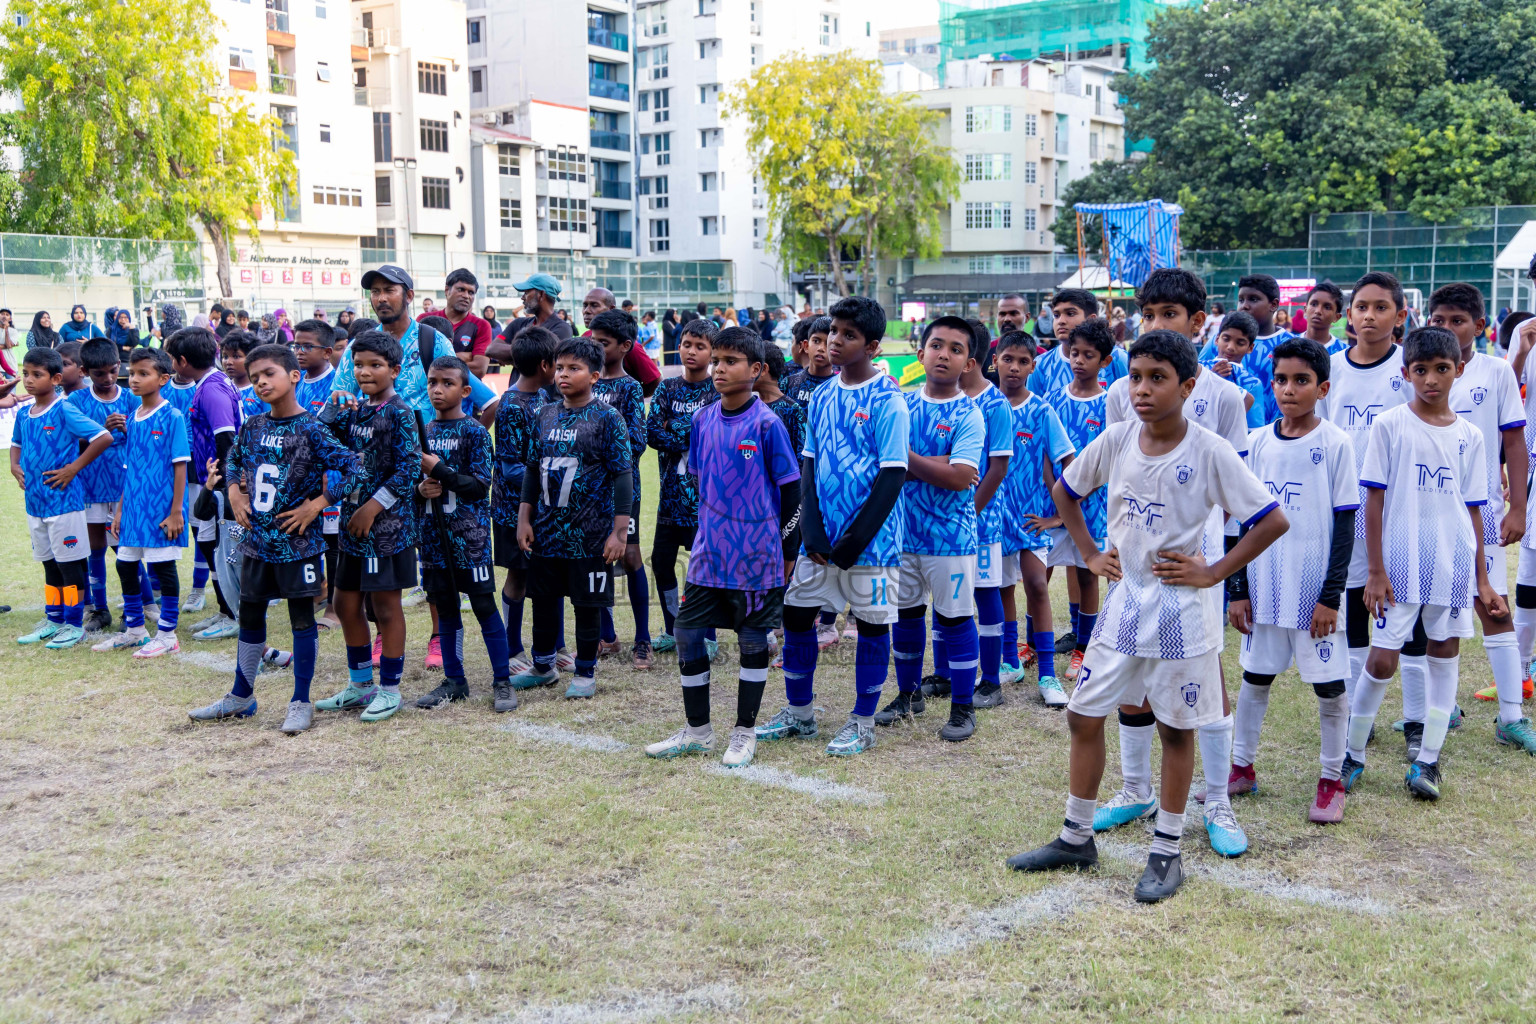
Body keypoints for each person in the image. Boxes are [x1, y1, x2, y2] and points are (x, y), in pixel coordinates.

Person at [1007, 329, 1288, 903]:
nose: (1142, 389)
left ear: (1187, 386)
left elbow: (1271, 520)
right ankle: (1075, 835)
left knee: (1175, 730)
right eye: (1135, 377)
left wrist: (1213, 572)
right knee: (1084, 715)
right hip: (1122, 609)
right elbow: (1065, 491)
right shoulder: (1116, 439)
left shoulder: (1209, 450)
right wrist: (1087, 551)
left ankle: (1166, 851)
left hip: (1183, 618)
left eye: (1157, 378)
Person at [1099, 268, 1253, 857]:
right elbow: (1116, 472)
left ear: (1198, 322)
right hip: (1135, 565)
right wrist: (1108, 548)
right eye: (1149, 315)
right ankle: (1136, 787)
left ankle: (1217, 800)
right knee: (1133, 682)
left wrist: (1225, 577)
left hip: (1193, 572)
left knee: (1203, 686)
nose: (1158, 326)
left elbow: (1241, 505)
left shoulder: (1225, 397)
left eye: (1170, 315)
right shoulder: (1123, 391)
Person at [1345, 326, 1496, 802]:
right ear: (1407, 372)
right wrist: (1374, 569)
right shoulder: (1390, 425)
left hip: (1450, 565)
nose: (1431, 379)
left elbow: (1473, 508)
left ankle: (1429, 760)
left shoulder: (1470, 435)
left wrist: (1483, 579)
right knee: (1382, 658)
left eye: (1442, 370)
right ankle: (1352, 753)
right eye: (1421, 370)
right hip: (1400, 565)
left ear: (1460, 371)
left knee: (1444, 654)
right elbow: (1372, 501)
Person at [756, 296, 907, 758]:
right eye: (832, 332)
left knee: (871, 625)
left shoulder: (890, 400)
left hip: (872, 544)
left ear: (873, 346)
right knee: (797, 615)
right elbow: (809, 466)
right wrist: (813, 533)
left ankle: (863, 721)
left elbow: (893, 474)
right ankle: (800, 712)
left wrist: (853, 542)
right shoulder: (821, 396)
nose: (835, 342)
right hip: (820, 542)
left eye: (848, 335)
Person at [644, 328, 801, 768]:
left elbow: (792, 495)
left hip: (758, 557)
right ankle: (697, 731)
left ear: (756, 370)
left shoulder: (768, 424)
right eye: (717, 360)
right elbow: (698, 478)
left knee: (752, 641)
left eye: (731, 361)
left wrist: (787, 552)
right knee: (687, 633)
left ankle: (744, 733)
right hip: (709, 555)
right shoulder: (701, 420)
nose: (718, 368)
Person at [188, 343, 362, 733]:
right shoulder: (253, 425)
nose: (261, 382)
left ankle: (301, 701)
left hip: (297, 545)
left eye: (269, 374)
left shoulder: (313, 428)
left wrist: (318, 504)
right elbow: (233, 458)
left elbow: (355, 468)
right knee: (249, 615)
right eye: (254, 378)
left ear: (293, 376)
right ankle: (241, 696)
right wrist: (234, 489)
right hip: (256, 543)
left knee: (301, 619)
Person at [1226, 338, 1358, 822]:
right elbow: (1241, 522)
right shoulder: (1257, 443)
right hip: (1263, 589)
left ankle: (1330, 779)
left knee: (1328, 687)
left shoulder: (1336, 444)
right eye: (1281, 379)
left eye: (1301, 380)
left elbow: (1345, 527)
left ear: (1322, 387)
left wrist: (1330, 598)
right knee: (1254, 678)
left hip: (1313, 594)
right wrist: (1237, 591)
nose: (1288, 389)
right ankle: (1241, 768)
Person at [1430, 284, 1536, 747]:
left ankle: (1511, 717)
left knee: (1493, 610)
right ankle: (1441, 710)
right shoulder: (1416, 371)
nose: (1448, 328)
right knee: (1435, 617)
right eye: (1440, 320)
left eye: (1458, 320)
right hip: (1426, 516)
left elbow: (1515, 440)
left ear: (1479, 326)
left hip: (1482, 515)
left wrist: (1517, 507)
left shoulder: (1496, 372)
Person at [875, 317, 985, 742]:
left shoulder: (969, 414)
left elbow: (961, 477)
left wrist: (904, 458)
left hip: (951, 539)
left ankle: (962, 708)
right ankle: (908, 695)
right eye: (936, 345)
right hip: (902, 536)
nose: (944, 354)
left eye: (955, 349)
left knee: (955, 621)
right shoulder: (899, 403)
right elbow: (888, 466)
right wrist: (934, 464)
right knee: (904, 618)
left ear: (968, 362)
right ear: (920, 353)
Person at [512, 336, 633, 700]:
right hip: (548, 532)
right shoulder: (544, 414)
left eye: (574, 369)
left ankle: (584, 671)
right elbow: (533, 471)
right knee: (544, 601)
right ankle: (543, 665)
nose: (564, 375)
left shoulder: (607, 418)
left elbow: (623, 474)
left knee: (587, 604)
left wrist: (619, 532)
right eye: (560, 368)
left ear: (595, 375)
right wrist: (524, 518)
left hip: (591, 534)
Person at [312, 330, 420, 727]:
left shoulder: (400, 412)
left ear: (394, 369)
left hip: (385, 528)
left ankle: (390, 688)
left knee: (385, 607)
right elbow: (319, 442)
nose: (365, 371)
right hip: (351, 526)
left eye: (375, 365)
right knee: (343, 604)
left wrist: (373, 508)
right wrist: (330, 410)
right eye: (358, 364)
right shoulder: (355, 410)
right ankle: (361, 685)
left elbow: (409, 468)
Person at [1318, 272, 1411, 711]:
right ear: (1348, 315)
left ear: (1401, 315)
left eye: (1380, 307)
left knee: (1406, 610)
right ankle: (1359, 712)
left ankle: (1420, 712)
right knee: (1353, 605)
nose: (1369, 316)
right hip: (1346, 507)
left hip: (1399, 508)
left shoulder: (1410, 368)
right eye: (1361, 307)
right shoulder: (1330, 369)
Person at [411, 355, 514, 712]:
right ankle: (454, 680)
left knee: (484, 605)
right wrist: (420, 489)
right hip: (433, 540)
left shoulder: (474, 432)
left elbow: (479, 485)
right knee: (445, 607)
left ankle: (502, 680)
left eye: (447, 383)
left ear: (465, 390)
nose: (438, 389)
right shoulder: (421, 431)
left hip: (469, 540)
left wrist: (440, 471)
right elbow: (409, 483)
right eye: (432, 382)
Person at [10, 346, 115, 649]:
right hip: (36, 503)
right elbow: (16, 444)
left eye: (36, 375)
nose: (28, 380)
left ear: (55, 378)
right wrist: (14, 465)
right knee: (49, 564)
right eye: (26, 374)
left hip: (64, 502)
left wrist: (72, 468)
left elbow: (103, 437)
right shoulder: (23, 413)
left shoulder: (64, 409)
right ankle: (53, 619)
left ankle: (73, 623)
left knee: (69, 566)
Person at [91, 347, 190, 657]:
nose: (133, 379)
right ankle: (135, 630)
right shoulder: (132, 417)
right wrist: (120, 509)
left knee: (163, 568)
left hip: (161, 509)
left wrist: (176, 511)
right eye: (131, 373)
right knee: (124, 564)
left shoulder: (172, 416)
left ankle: (168, 635)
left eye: (143, 373)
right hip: (133, 508)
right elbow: (130, 466)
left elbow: (180, 465)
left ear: (163, 378)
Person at [995, 330, 1073, 704]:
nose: (1014, 367)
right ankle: (1010, 661)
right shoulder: (983, 406)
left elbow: (1069, 464)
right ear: (995, 360)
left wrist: (1057, 517)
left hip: (1030, 519)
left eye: (1023, 361)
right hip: (993, 519)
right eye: (1008, 358)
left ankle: (1047, 674)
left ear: (1033, 366)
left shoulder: (1042, 410)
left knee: (1037, 588)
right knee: (1001, 588)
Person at [1043, 318, 1116, 684]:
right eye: (1074, 353)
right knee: (1039, 574)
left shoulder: (1110, 404)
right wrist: (1057, 503)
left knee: (1088, 576)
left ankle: (1083, 649)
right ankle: (1034, 645)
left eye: (1089, 355)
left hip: (1093, 506)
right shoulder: (1052, 399)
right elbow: (1045, 454)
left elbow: (1104, 464)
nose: (1079, 361)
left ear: (1105, 361)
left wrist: (1072, 498)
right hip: (1052, 508)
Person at [647, 317, 720, 655]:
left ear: (712, 352)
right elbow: (652, 434)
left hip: (705, 501)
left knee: (704, 568)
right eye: (687, 344)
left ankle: (708, 635)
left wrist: (675, 426)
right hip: (670, 499)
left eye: (700, 346)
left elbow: (714, 436)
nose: (691, 351)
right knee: (662, 563)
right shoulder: (667, 388)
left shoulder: (717, 390)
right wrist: (691, 429)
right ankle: (674, 627)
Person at [493, 326, 559, 680]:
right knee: (518, 576)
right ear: (547, 365)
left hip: (548, 508)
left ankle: (554, 647)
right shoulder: (512, 404)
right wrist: (552, 481)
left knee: (549, 576)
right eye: (559, 365)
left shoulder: (550, 400)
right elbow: (509, 466)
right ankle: (512, 645)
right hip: (514, 509)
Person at [587, 310, 652, 668]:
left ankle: (642, 639)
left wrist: (599, 448)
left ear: (625, 347)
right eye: (592, 340)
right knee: (595, 558)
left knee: (629, 556)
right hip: (588, 491)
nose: (595, 347)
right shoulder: (587, 382)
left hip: (622, 487)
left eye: (603, 343)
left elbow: (637, 442)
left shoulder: (628, 387)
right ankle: (607, 635)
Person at [956, 321, 1014, 708]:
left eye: (955, 348)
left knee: (985, 590)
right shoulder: (945, 397)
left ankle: (991, 681)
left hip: (982, 522)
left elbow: (997, 468)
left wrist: (971, 511)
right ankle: (948, 673)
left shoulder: (996, 405)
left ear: (971, 358)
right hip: (943, 524)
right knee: (952, 598)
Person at [68, 338, 137, 634]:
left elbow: (145, 443)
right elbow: (71, 444)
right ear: (85, 372)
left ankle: (134, 609)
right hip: (90, 486)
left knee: (126, 549)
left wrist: (129, 429)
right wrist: (101, 432)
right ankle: (100, 610)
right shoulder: (75, 402)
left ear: (119, 366)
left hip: (123, 487)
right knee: (95, 548)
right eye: (99, 374)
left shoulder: (133, 398)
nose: (107, 379)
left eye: (112, 371)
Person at [1029, 290, 1128, 396]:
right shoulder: (1040, 364)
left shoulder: (1118, 358)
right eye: (1056, 315)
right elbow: (1032, 410)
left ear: (1091, 319)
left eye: (1070, 314)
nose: (1061, 321)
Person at [582, 287, 661, 397]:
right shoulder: (584, 337)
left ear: (611, 308)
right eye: (585, 305)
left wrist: (626, 396)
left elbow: (655, 381)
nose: (586, 310)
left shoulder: (629, 347)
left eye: (594, 305)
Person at [486, 273, 573, 366]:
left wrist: (509, 357)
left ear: (541, 294)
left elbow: (541, 363)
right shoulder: (518, 323)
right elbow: (491, 349)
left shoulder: (562, 329)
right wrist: (522, 355)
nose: (522, 297)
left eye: (526, 292)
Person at [422, 268, 493, 378]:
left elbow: (479, 369)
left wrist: (437, 359)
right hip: (428, 392)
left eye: (471, 292)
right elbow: (417, 363)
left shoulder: (482, 326)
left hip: (466, 394)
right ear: (447, 291)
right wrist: (462, 357)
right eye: (461, 289)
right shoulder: (424, 321)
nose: (466, 296)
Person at [1202, 310, 1265, 427]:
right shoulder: (1199, 368)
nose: (1230, 347)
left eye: (1240, 343)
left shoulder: (1252, 384)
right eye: (1226, 339)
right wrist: (1208, 378)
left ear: (1250, 348)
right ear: (1216, 339)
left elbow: (1254, 428)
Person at [783, 315, 837, 411]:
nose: (821, 348)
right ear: (806, 346)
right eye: (816, 341)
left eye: (828, 344)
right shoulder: (788, 384)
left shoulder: (839, 388)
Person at [222, 331, 268, 420]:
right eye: (225, 356)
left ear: (252, 358)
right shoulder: (222, 388)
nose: (228, 362)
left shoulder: (262, 388)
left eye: (236, 356)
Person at [1298, 282, 1347, 355]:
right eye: (1314, 304)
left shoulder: (1345, 353)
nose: (1318, 311)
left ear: (1336, 317)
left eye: (1327, 307)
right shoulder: (1287, 346)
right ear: (1305, 310)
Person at [0, 308, 20, 375]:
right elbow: (9, 346)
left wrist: (6, 330)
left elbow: (8, 345)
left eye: (7, 315)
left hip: (11, 365)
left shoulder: (13, 331)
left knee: (12, 385)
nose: (4, 316)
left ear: (10, 319)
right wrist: (14, 344)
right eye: (2, 314)